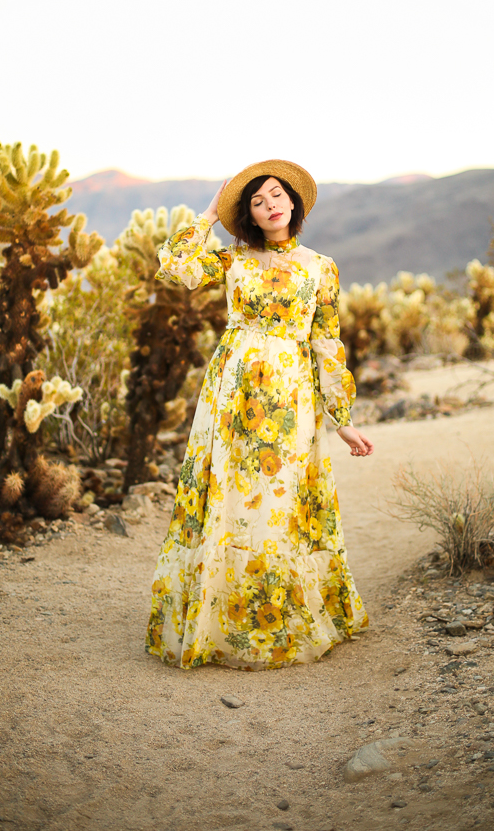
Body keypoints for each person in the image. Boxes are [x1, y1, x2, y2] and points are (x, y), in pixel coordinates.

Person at [145, 159, 373, 670]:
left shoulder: (320, 267)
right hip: (231, 394)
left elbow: (328, 343)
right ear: (249, 214)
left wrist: (343, 418)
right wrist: (207, 215)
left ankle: (283, 614)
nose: (270, 205)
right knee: (230, 496)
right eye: (256, 201)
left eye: (276, 195)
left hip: (291, 397)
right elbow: (174, 267)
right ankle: (219, 621)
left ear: (293, 202)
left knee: (282, 497)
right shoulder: (232, 260)